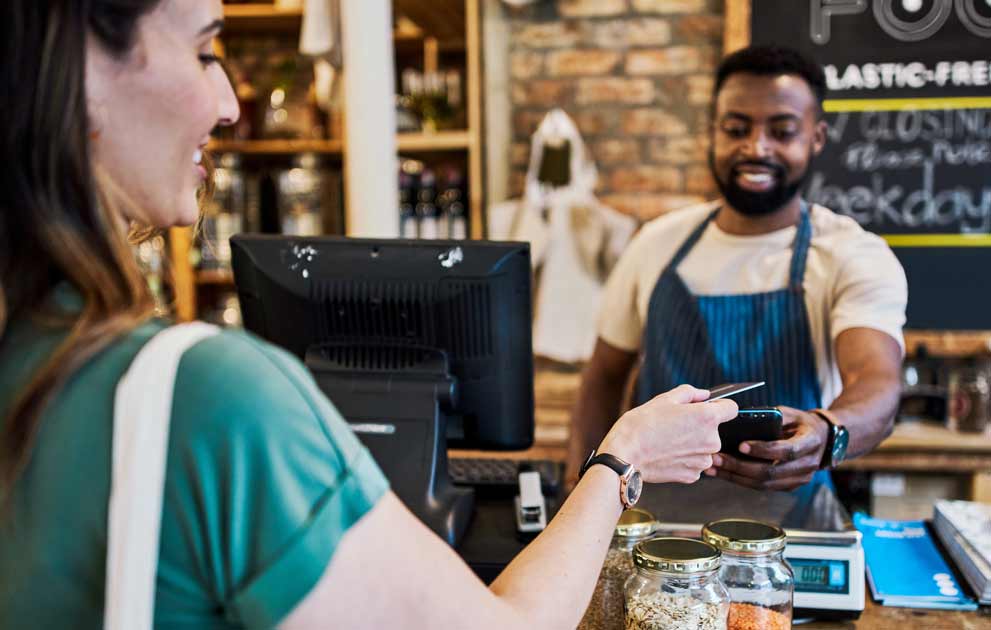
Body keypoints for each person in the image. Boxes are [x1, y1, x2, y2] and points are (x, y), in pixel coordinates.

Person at [0, 1, 738, 628]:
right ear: (80, 71)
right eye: (203, 50)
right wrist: (623, 457)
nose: (228, 104)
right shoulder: (207, 396)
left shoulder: (29, 351)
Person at [566, 46, 907, 498]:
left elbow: (876, 381)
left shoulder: (851, 253)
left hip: (792, 531)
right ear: (713, 133)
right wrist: (578, 496)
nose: (756, 147)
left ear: (817, 137)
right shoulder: (656, 244)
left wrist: (828, 431)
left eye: (782, 131)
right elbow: (603, 380)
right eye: (736, 129)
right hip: (653, 527)